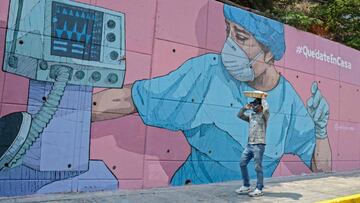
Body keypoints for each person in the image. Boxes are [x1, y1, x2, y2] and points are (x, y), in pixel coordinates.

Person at [92, 4, 332, 186]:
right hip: (190, 193)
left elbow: (321, 169)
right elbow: (131, 98)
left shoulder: (288, 102)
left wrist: (320, 131)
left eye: (241, 37)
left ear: (269, 53)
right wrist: (74, 108)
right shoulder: (206, 72)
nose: (229, 46)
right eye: (228, 32)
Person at [236, 94, 269, 197]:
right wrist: (245, 108)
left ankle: (259, 188)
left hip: (259, 145)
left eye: (255, 104)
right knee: (242, 163)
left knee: (257, 167)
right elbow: (240, 115)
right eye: (253, 104)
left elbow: (266, 109)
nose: (253, 106)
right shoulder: (251, 116)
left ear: (260, 106)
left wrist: (263, 99)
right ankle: (246, 186)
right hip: (249, 145)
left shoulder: (264, 116)